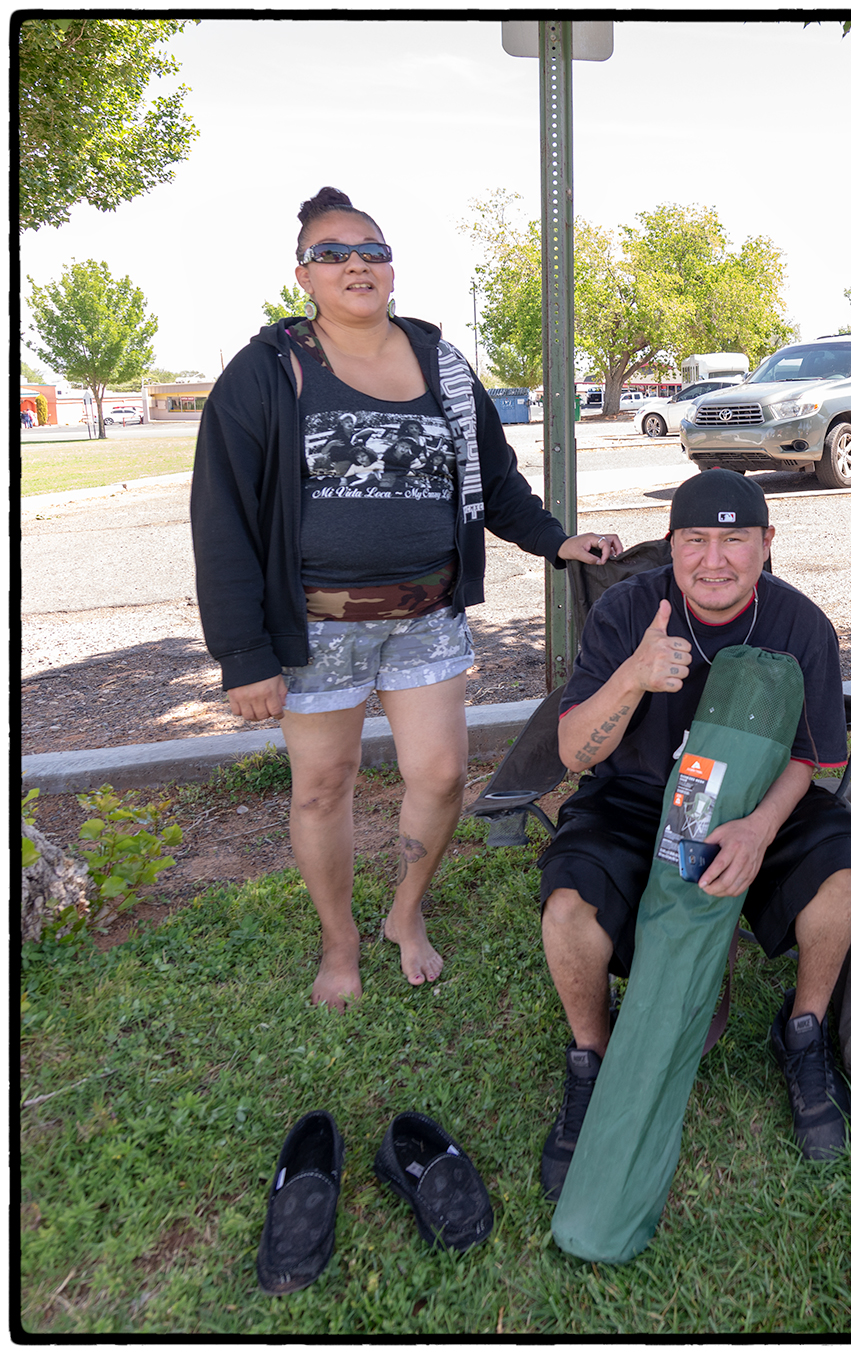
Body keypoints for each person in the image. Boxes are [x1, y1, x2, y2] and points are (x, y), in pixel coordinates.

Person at [191, 186, 621, 1012]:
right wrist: (244, 655)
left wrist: (553, 537)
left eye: (371, 249)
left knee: (442, 773)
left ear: (391, 268)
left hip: (426, 617)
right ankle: (339, 943)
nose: (355, 262)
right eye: (332, 252)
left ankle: (404, 914)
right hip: (313, 628)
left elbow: (494, 481)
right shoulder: (268, 371)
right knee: (324, 785)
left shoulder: (442, 364)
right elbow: (222, 519)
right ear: (304, 275)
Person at [536, 469, 851, 1194]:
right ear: (671, 545)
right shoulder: (627, 612)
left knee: (840, 870)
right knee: (568, 907)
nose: (713, 560)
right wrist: (631, 679)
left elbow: (813, 755)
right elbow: (571, 754)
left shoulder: (799, 624)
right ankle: (592, 1057)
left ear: (766, 544)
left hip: (756, 798)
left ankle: (804, 1033)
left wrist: (757, 828)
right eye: (695, 540)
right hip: (635, 799)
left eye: (734, 540)